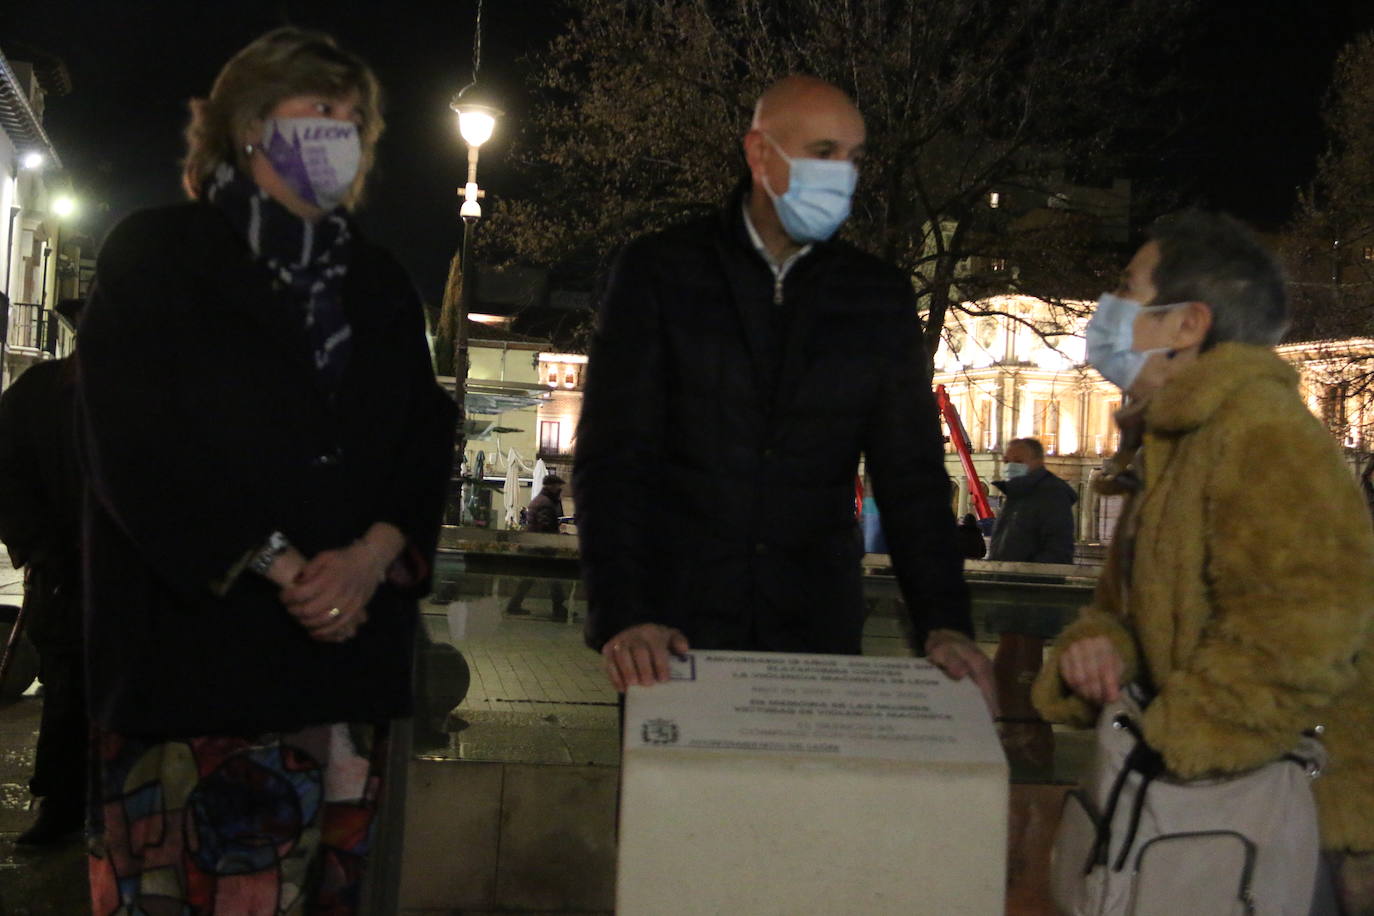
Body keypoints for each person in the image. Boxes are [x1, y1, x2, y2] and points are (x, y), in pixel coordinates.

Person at [76, 29, 455, 912]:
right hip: (194, 666)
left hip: (343, 667)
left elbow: (421, 433)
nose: (343, 130)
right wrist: (281, 565)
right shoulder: (158, 255)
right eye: (320, 108)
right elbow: (132, 448)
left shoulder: (378, 278)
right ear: (249, 125)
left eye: (354, 117)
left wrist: (371, 556)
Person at [574, 75, 994, 709]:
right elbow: (613, 456)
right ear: (759, 153)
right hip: (673, 639)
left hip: (813, 633)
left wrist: (945, 623)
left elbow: (910, 476)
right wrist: (625, 616)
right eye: (824, 152)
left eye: (854, 158)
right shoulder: (660, 272)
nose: (844, 174)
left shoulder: (875, 296)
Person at [1030, 211, 1374, 914]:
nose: (1108, 311)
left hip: (1276, 822)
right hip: (1210, 815)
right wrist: (1103, 648)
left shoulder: (1263, 433)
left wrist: (1174, 741)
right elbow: (1136, 613)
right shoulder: (1176, 440)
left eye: (1128, 289)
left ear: (1188, 324)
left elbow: (1303, 630)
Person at [0, 299, 87, 846]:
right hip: (67, 573)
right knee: (67, 692)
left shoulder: (164, 393)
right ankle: (62, 804)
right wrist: (38, 547)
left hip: (146, 580)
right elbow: (6, 472)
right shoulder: (40, 393)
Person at [987, 437, 1077, 564]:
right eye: (1006, 461)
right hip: (1005, 577)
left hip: (1029, 580)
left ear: (1038, 462)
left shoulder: (1052, 494)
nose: (1010, 466)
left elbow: (1058, 550)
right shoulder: (1016, 492)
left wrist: (1025, 574)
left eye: (1019, 461)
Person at [506, 475, 569, 620]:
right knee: (553, 578)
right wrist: (553, 541)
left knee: (529, 578)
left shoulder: (541, 500)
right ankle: (559, 609)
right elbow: (545, 526)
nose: (560, 489)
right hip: (540, 546)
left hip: (534, 545)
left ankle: (514, 605)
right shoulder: (545, 503)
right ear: (551, 486)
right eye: (558, 486)